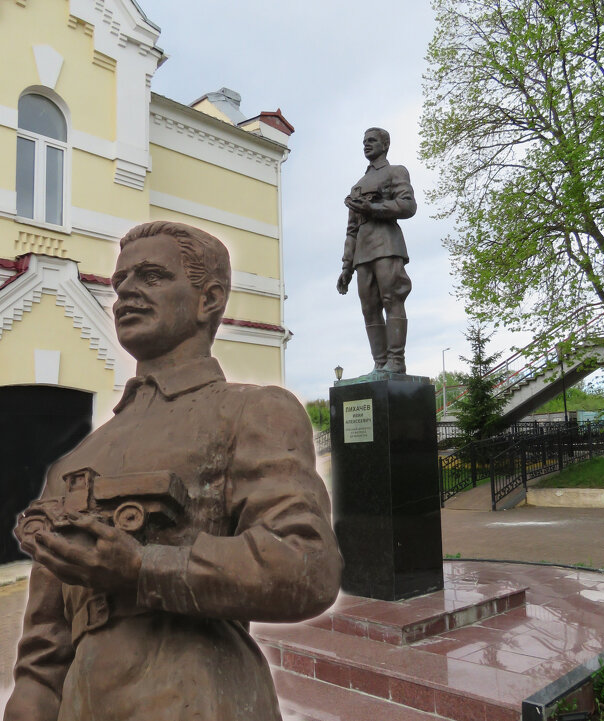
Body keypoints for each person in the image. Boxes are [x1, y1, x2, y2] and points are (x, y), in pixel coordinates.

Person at [5, 221, 342, 721]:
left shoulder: (253, 412)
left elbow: (307, 566)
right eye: (120, 283)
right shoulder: (74, 464)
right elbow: (43, 649)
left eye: (152, 276)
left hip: (200, 696)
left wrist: (143, 569)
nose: (126, 293)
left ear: (209, 299)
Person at [337, 127, 417, 374]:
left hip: (387, 245)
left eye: (371, 141)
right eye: (364, 142)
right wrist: (346, 267)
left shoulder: (396, 172)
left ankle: (396, 361)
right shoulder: (357, 186)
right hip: (363, 253)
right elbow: (351, 230)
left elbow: (408, 205)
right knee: (369, 308)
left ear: (385, 145)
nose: (366, 145)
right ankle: (380, 363)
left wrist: (375, 208)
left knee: (392, 299)